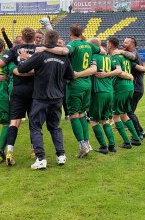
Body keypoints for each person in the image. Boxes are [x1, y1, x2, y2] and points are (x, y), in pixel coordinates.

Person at [0, 28, 66, 166]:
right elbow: (48, 62)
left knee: (14, 121)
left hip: (18, 90)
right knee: (34, 122)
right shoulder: (40, 48)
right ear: (35, 37)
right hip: (35, 91)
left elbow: (0, 63)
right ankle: (34, 150)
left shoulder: (15, 49)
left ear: (22, 38)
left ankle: (10, 151)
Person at [38, 24, 102, 158]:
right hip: (87, 83)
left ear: (70, 33)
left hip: (75, 84)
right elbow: (101, 50)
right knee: (82, 114)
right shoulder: (88, 45)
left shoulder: (73, 45)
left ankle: (82, 145)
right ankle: (87, 143)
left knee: (73, 115)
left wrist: (44, 48)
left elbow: (64, 52)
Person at [17, 30, 74, 169]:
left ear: (45, 40)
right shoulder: (64, 57)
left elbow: (22, 69)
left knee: (35, 127)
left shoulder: (41, 54)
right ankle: (61, 155)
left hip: (41, 98)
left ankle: (41, 158)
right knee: (54, 127)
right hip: (57, 98)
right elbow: (71, 76)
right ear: (57, 40)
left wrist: (24, 58)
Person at [87, 38, 122, 154]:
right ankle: (112, 146)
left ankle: (103, 146)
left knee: (94, 121)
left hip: (98, 92)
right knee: (105, 120)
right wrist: (107, 74)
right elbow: (119, 71)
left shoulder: (93, 58)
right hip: (109, 92)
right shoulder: (107, 58)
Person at [108, 37, 143, 148]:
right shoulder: (125, 56)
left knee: (115, 115)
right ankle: (136, 139)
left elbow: (119, 72)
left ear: (110, 44)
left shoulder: (115, 56)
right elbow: (139, 67)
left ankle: (127, 142)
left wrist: (104, 74)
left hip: (121, 87)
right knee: (124, 114)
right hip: (130, 86)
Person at [114, 36, 145, 139]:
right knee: (128, 111)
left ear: (132, 44)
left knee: (129, 112)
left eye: (126, 43)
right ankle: (138, 131)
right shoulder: (130, 56)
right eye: (123, 42)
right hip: (135, 87)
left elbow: (132, 58)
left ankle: (139, 132)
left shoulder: (134, 54)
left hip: (136, 87)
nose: (123, 44)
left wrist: (120, 52)